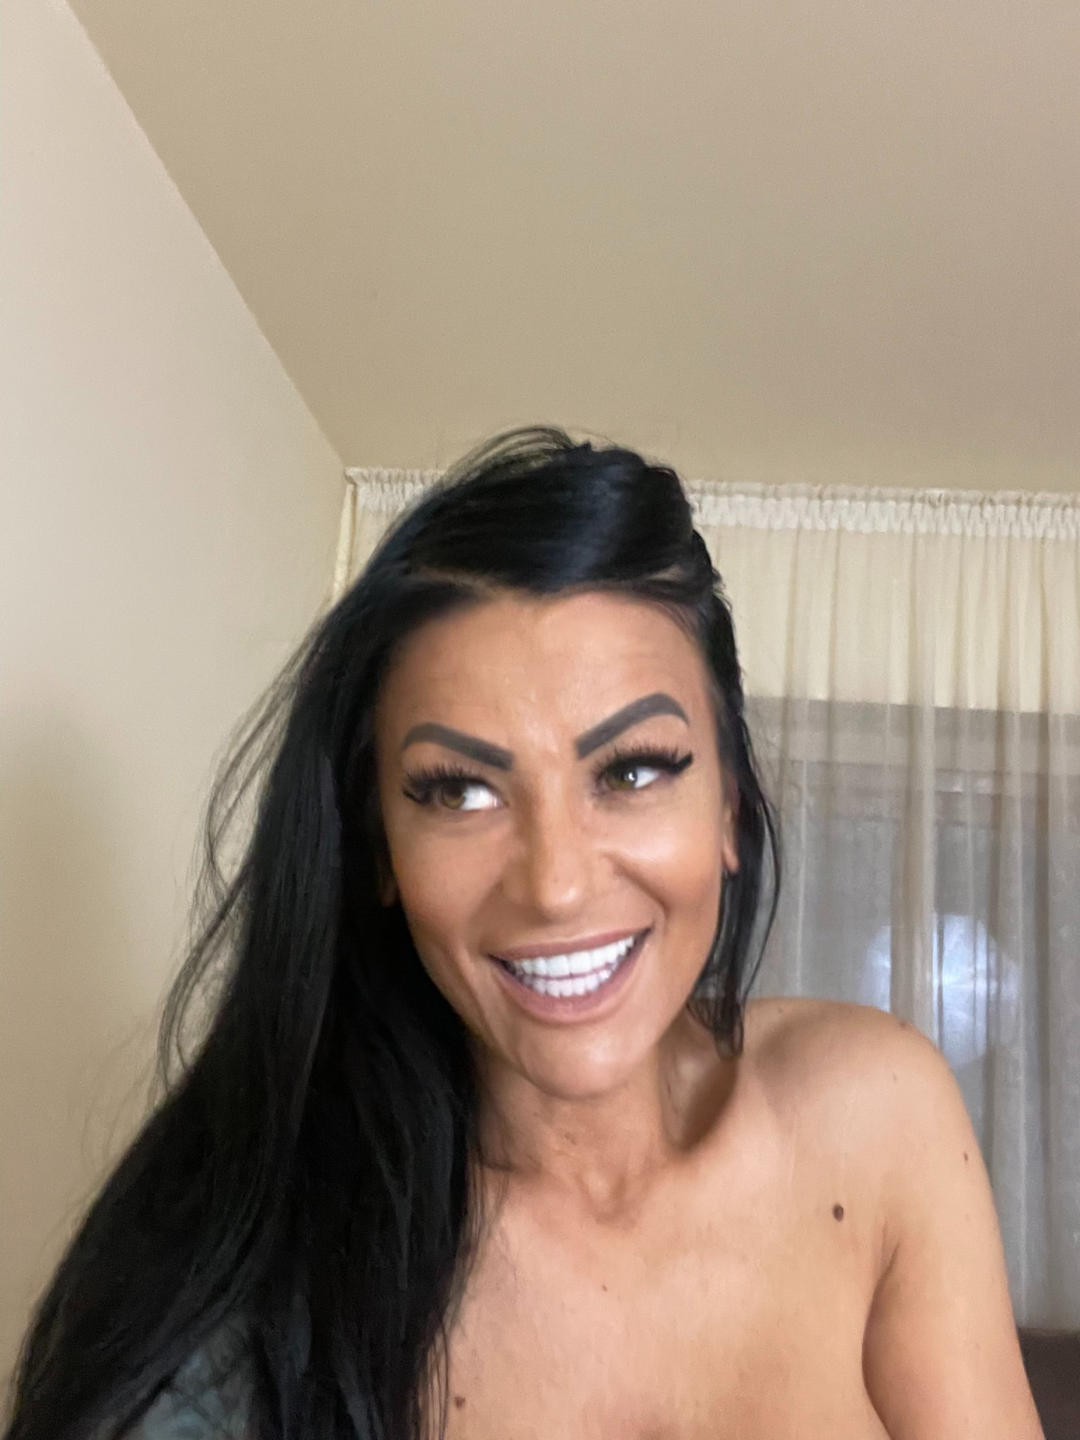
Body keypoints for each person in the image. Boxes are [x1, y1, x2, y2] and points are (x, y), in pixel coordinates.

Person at [4, 427, 1043, 1440]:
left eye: (632, 770)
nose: (555, 884)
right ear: (381, 850)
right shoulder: (250, 1301)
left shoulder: (878, 1115)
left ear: (730, 805)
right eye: (459, 791)